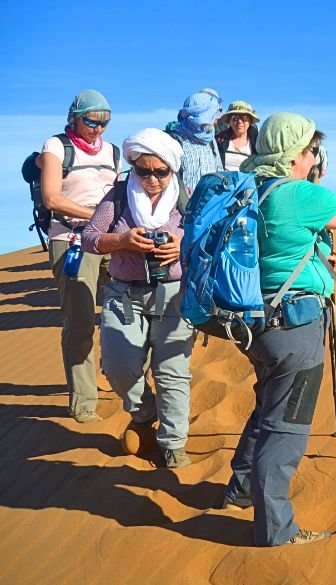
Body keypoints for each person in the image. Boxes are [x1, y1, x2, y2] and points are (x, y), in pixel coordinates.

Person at [221, 113, 336, 547]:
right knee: (287, 429)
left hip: (254, 325)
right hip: (294, 330)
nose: (315, 157)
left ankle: (240, 489)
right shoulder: (297, 194)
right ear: (296, 155)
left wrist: (315, 259)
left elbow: (274, 249)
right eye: (311, 150)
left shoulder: (251, 189)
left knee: (268, 408)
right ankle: (275, 531)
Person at [81, 129, 194, 468]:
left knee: (172, 371)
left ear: (172, 170)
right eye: (143, 170)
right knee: (119, 366)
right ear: (133, 166)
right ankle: (144, 414)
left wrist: (180, 244)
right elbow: (89, 238)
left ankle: (174, 443)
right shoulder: (118, 197)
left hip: (174, 294)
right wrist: (124, 240)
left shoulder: (185, 199)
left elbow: (206, 236)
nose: (152, 179)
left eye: (161, 171)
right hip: (124, 293)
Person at [36, 90, 120, 423]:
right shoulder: (57, 146)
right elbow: (52, 198)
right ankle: (84, 403)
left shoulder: (113, 152)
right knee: (81, 322)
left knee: (130, 314)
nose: (98, 127)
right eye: (91, 120)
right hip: (71, 240)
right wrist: (93, 215)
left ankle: (130, 390)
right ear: (75, 117)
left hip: (110, 240)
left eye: (105, 121)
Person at [169, 91, 224, 196]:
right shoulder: (174, 141)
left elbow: (219, 173)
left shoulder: (210, 140)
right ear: (202, 115)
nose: (218, 117)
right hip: (181, 209)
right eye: (213, 113)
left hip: (209, 206)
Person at [216, 101, 260, 172]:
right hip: (224, 181)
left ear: (250, 121)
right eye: (235, 118)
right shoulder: (219, 141)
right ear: (229, 121)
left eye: (244, 117)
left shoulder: (259, 143)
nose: (240, 121)